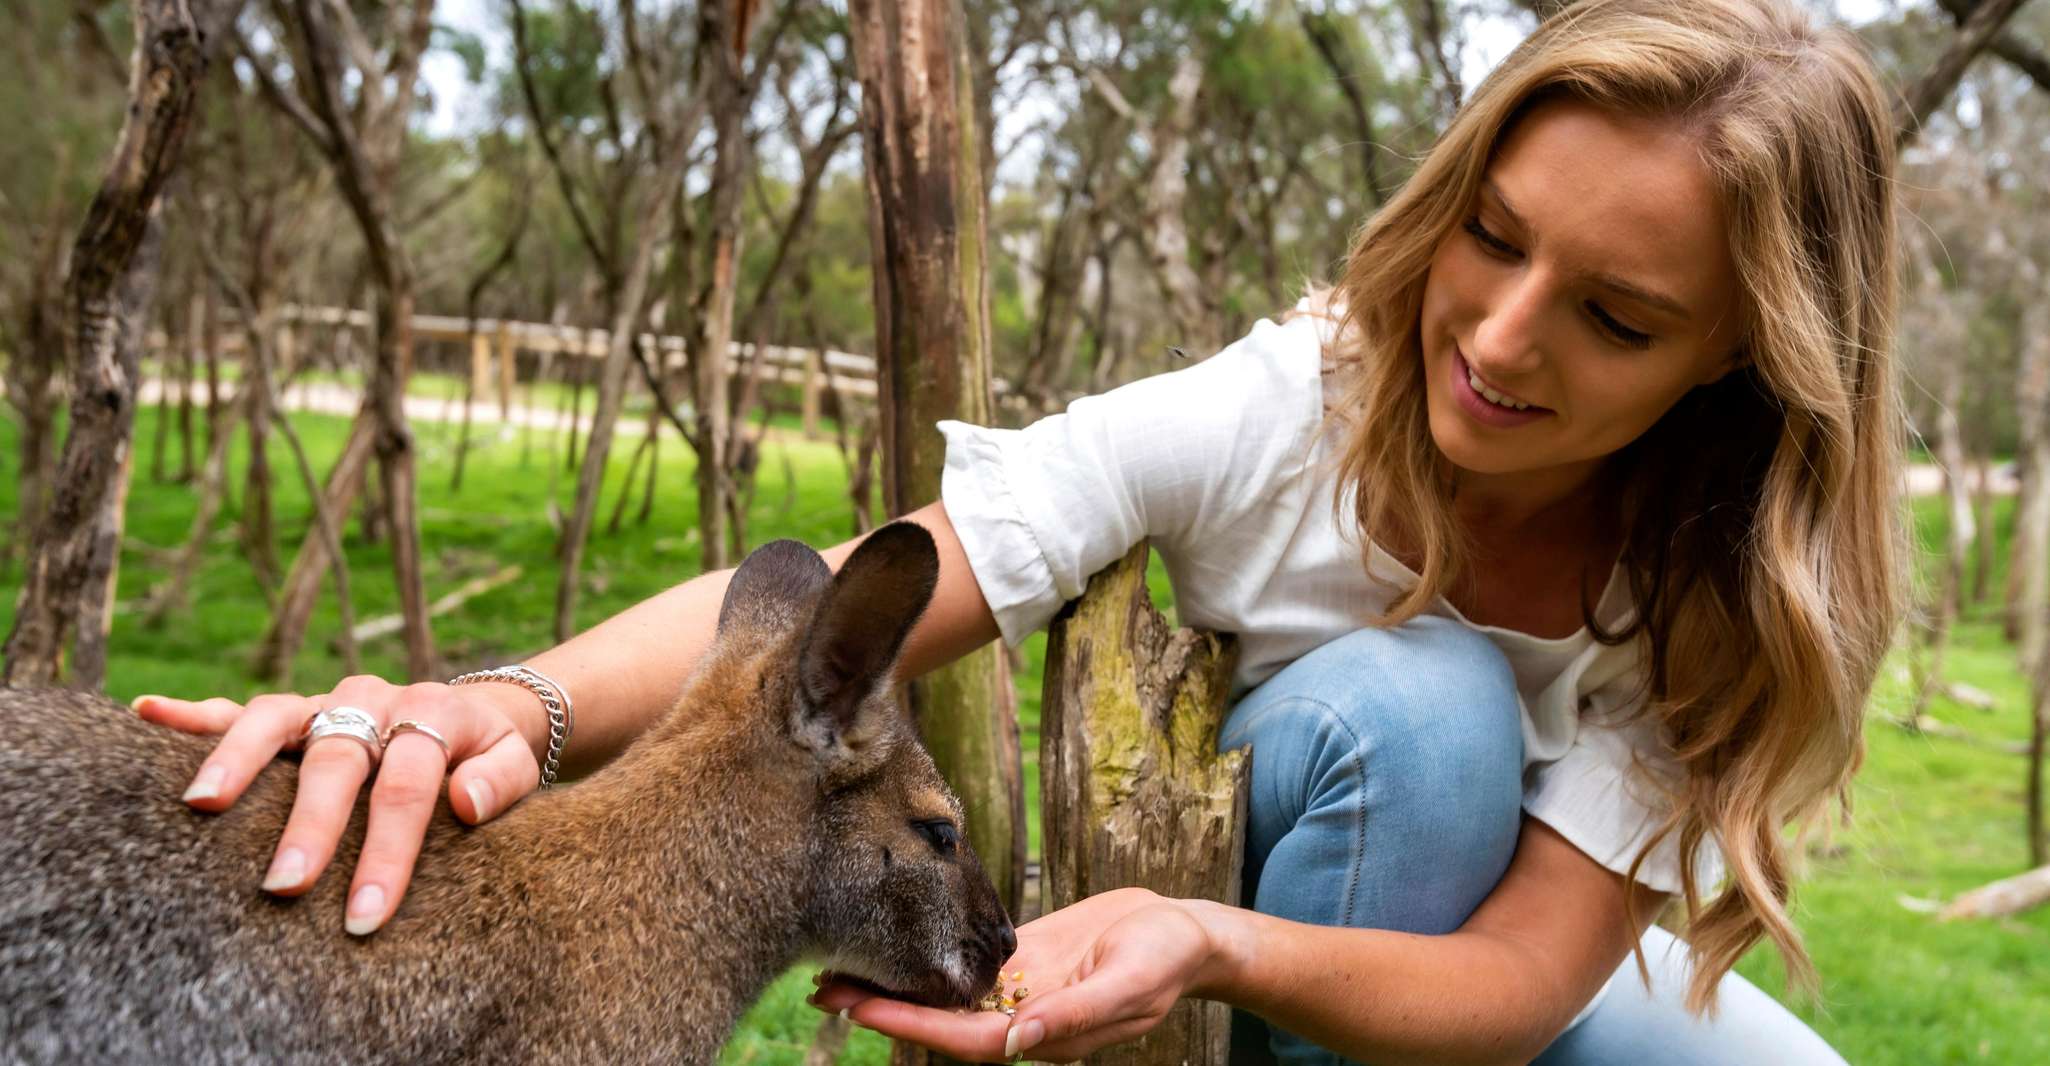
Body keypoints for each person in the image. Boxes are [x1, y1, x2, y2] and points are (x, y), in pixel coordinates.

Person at [136, 0, 1903, 1061]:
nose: (1500, 341)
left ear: (1736, 355)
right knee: (1420, 713)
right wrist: (500, 704)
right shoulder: (1289, 404)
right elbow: (877, 580)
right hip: (1276, 869)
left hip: (1469, 968)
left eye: (1613, 317)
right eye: (1492, 237)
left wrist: (1211, 946)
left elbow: (1518, 978)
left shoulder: (1717, 584)